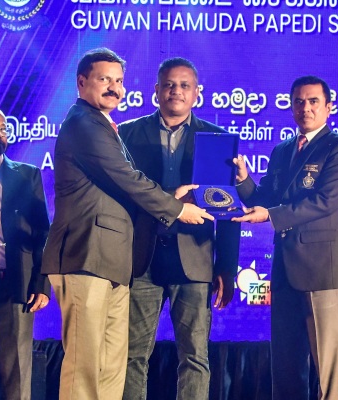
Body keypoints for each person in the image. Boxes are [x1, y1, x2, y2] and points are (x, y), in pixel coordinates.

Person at [41, 48, 214, 400]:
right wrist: (176, 208)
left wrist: (170, 196)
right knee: (85, 366)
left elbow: (127, 185)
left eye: (119, 81)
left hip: (114, 263)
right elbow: (127, 179)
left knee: (111, 366)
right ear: (81, 82)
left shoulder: (105, 126)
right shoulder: (84, 124)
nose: (114, 88)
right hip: (86, 255)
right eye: (104, 79)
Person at [119, 57, 240, 400]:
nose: (176, 91)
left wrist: (226, 267)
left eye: (185, 85)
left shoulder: (217, 140)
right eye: (169, 85)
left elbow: (226, 208)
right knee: (132, 355)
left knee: (195, 357)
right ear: (156, 90)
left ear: (197, 93)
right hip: (142, 258)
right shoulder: (127, 134)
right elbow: (121, 195)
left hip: (195, 260)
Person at [233, 75, 338, 400]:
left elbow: (327, 201)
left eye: (313, 101)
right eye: (299, 102)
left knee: (328, 369)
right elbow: (265, 198)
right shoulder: (282, 150)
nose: (306, 108)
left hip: (322, 267)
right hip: (285, 269)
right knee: (286, 363)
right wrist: (244, 181)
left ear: (329, 107)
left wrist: (271, 216)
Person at [0, 105, 50, 400]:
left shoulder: (27, 176)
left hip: (12, 287)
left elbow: (43, 233)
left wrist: (41, 283)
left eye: (3, 129)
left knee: (16, 379)